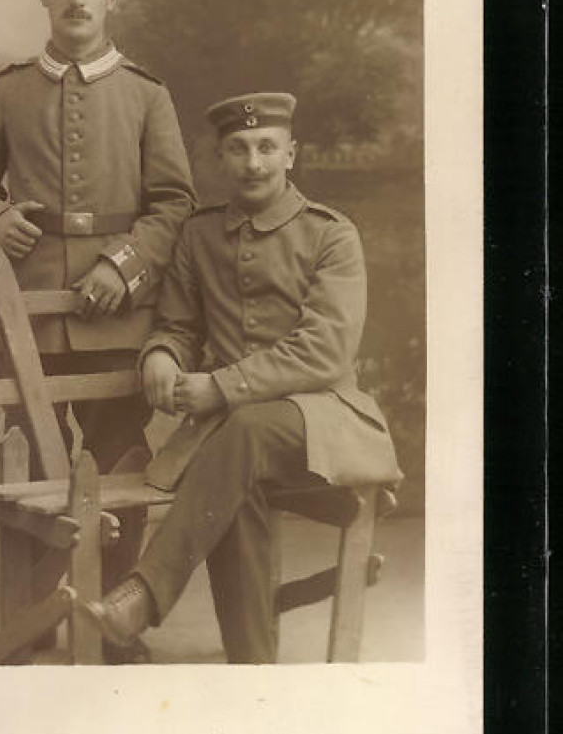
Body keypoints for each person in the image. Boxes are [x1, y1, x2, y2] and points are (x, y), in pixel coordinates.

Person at [0, 0, 196, 662]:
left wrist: (124, 265)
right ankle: (30, 618)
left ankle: (111, 621)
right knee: (29, 462)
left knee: (120, 458)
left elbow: (175, 203)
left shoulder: (149, 95)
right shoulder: (10, 91)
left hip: (119, 315)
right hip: (28, 315)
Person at [82, 92, 402, 663]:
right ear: (221, 159)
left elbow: (325, 351)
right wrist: (161, 354)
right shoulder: (200, 235)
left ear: (291, 154)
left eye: (267, 147)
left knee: (239, 433)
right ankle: (253, 671)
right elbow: (179, 324)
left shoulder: (332, 235)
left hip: (325, 423)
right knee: (234, 465)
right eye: (239, 149)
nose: (254, 162)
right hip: (237, 441)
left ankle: (144, 592)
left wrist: (221, 387)